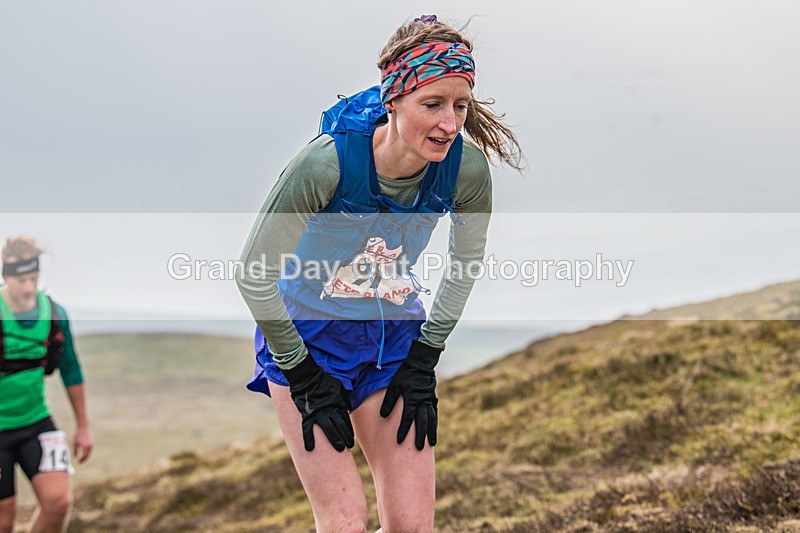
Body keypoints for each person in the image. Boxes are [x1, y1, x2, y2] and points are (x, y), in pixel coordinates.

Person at [237, 15, 522, 533]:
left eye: (461, 105)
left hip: (393, 344)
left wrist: (426, 357)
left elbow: (465, 266)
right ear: (393, 99)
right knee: (344, 523)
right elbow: (254, 274)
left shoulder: (466, 171)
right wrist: (300, 373)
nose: (450, 123)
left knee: (413, 526)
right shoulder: (326, 165)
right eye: (432, 104)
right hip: (305, 341)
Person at [0, 237, 92, 533]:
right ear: (5, 277)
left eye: (33, 278)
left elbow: (71, 369)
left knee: (59, 502)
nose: (28, 287)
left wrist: (83, 425)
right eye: (20, 280)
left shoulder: (55, 314)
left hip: (35, 421)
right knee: (3, 520)